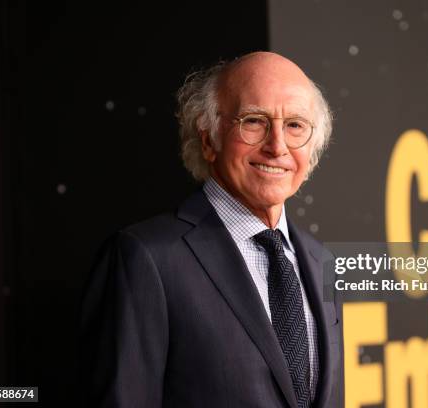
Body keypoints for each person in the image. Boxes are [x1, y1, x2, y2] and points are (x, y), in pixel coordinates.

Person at [79, 51, 343, 408]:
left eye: (295, 125)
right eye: (253, 121)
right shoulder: (147, 258)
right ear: (209, 139)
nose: (277, 146)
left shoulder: (319, 260)